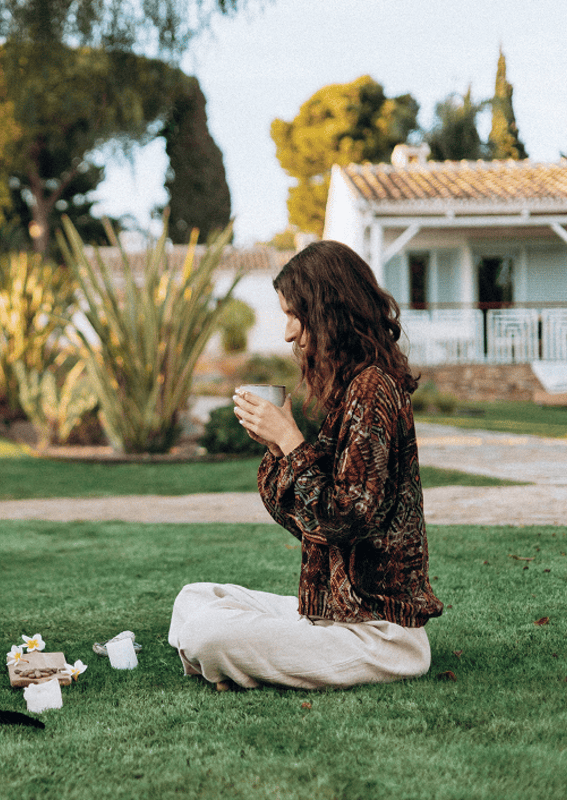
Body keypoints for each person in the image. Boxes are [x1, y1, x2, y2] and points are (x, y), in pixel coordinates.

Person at [168, 240, 443, 691]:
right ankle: (242, 657)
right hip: (333, 614)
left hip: (378, 633)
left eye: (296, 315)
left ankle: (229, 658)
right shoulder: (353, 387)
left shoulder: (373, 390)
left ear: (331, 312)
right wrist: (279, 448)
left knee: (205, 634)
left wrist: (291, 440)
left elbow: (346, 518)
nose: (288, 334)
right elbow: (306, 523)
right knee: (194, 598)